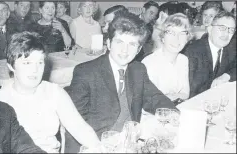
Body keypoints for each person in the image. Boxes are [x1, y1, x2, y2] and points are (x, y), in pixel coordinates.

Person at [65, 12, 176, 153]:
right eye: (119, 42)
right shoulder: (86, 72)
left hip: (131, 144)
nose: (125, 50)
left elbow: (155, 98)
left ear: (139, 49)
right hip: (99, 145)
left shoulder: (138, 69)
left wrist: (176, 116)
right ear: (109, 43)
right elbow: (73, 122)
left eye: (132, 44)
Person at [0, 31, 103, 153]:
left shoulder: (54, 92)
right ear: (11, 66)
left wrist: (98, 147)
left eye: (40, 62)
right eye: (27, 63)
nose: (35, 70)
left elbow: (80, 128)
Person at [183, 11, 236, 98]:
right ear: (210, 29)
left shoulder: (230, 49)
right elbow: (190, 92)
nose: (226, 34)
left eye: (231, 30)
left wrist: (226, 76)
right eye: (222, 28)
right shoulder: (192, 52)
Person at [142, 13, 192, 101]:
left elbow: (185, 94)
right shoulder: (149, 63)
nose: (176, 38)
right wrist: (176, 96)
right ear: (163, 37)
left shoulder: (183, 60)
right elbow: (152, 101)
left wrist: (169, 97)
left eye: (182, 33)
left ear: (187, 38)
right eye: (171, 33)